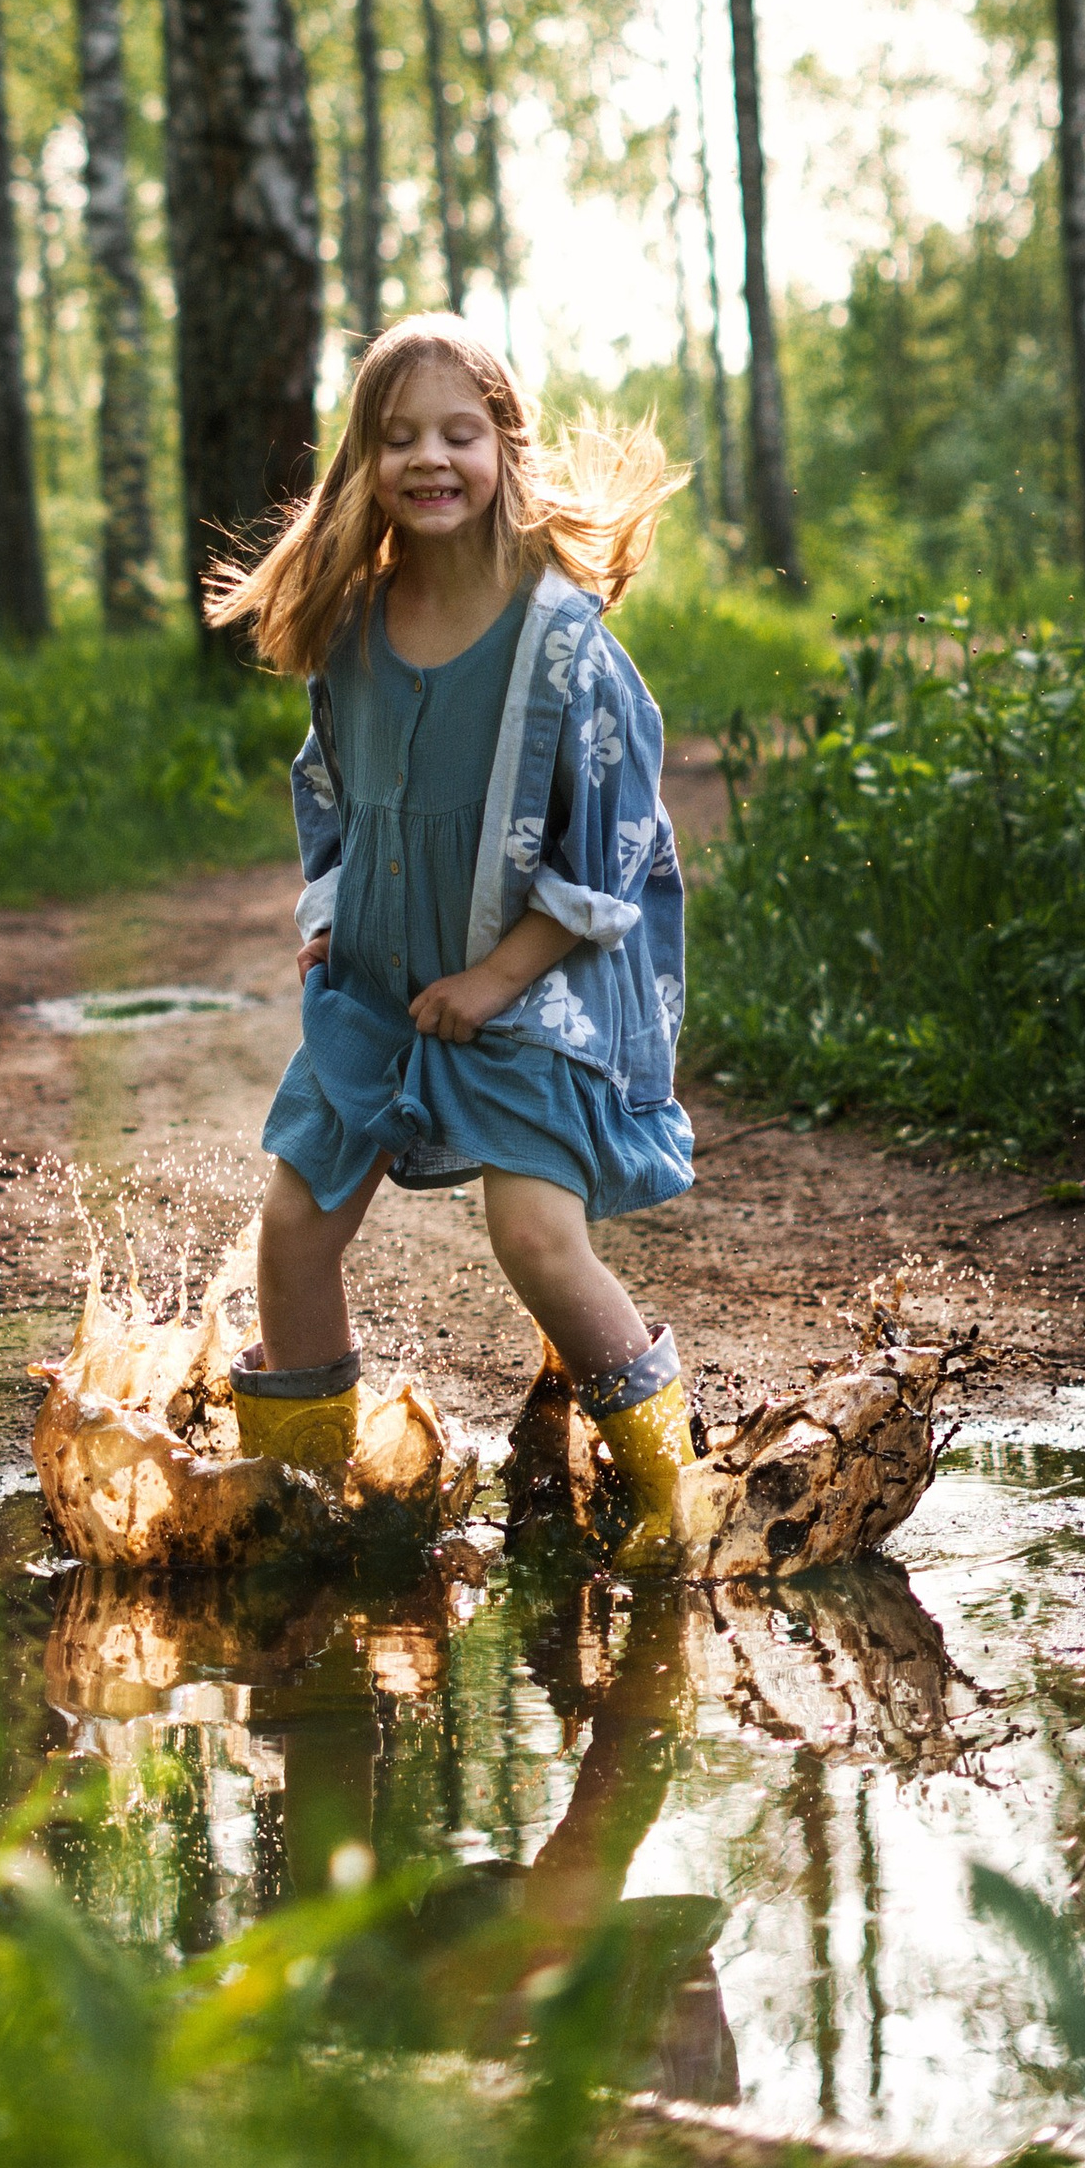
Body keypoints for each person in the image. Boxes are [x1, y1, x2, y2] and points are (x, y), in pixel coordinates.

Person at [205, 315, 704, 1556]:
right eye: (398, 438)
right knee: (295, 1230)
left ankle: (671, 1497)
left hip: (534, 982)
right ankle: (308, 1513)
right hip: (378, 984)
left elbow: (616, 849)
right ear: (362, 466)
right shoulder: (353, 626)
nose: (430, 460)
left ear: (504, 446)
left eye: (458, 434)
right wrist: (327, 917)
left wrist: (497, 975)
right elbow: (328, 790)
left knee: (532, 1232)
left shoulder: (564, 645)